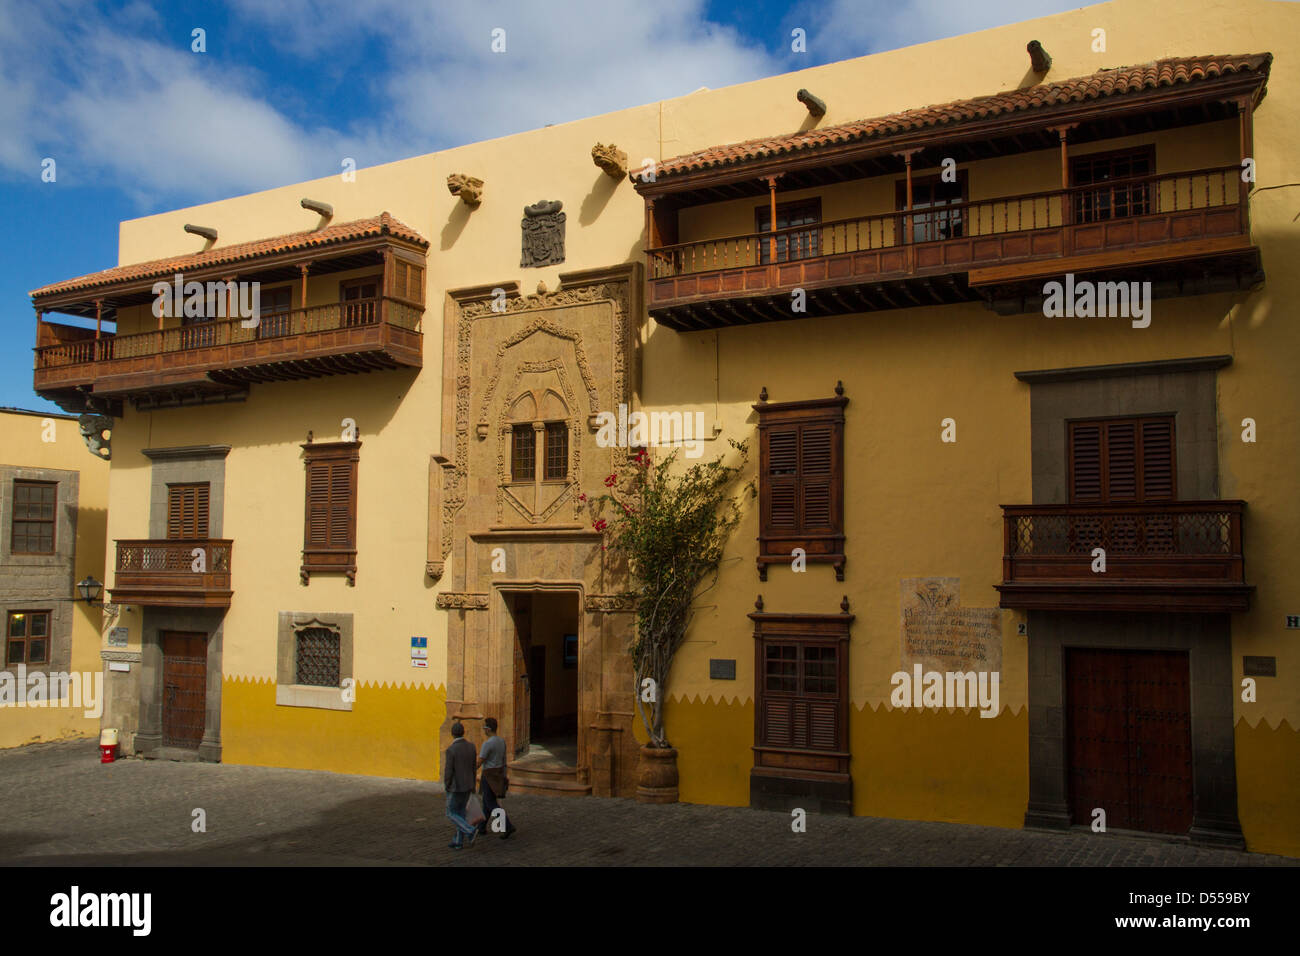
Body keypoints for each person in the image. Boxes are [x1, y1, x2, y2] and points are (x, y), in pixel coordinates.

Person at [477, 717, 516, 839]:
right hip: (498, 773)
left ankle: (507, 825)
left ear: (488, 729)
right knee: (486, 802)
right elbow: (504, 759)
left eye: (484, 728)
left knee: (490, 803)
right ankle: (481, 828)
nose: (483, 730)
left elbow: (480, 760)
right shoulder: (501, 741)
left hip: (488, 775)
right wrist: (505, 774)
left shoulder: (487, 743)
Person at [443, 722, 478, 850]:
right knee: (461, 813)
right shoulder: (471, 747)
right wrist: (473, 784)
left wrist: (447, 784)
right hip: (468, 785)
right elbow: (473, 768)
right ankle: (458, 841)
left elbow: (448, 771)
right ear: (463, 732)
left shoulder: (451, 750)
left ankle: (470, 830)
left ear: (452, 734)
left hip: (455, 787)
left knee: (450, 812)